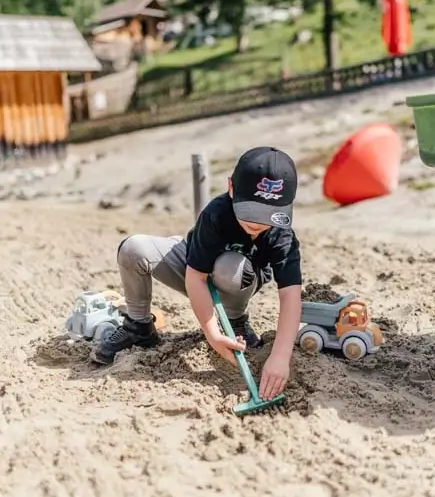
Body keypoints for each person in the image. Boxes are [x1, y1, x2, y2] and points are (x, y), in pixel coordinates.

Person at [90, 146, 303, 401]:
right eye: (250, 211)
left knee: (229, 267)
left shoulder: (282, 236)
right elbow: (196, 277)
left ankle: (235, 322)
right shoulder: (216, 213)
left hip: (237, 278)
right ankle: (138, 327)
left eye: (268, 215)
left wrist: (280, 357)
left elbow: (291, 297)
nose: (257, 223)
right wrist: (212, 334)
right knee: (133, 249)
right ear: (231, 188)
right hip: (194, 265)